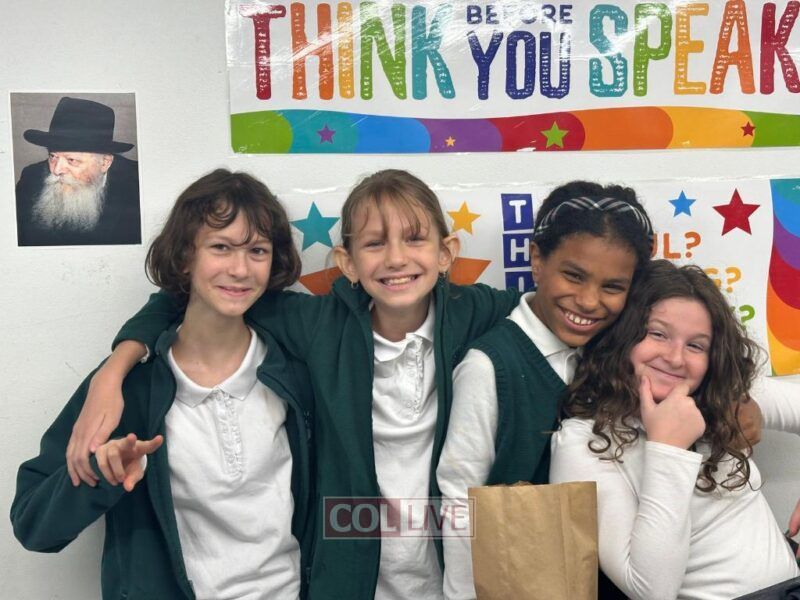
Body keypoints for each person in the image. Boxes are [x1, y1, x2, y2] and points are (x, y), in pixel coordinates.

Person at [63, 169, 520, 600]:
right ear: (347, 262)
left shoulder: (475, 313)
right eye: (375, 243)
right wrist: (116, 367)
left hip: (455, 575)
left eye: (415, 239)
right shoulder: (318, 324)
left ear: (446, 253)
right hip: (349, 577)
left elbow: (553, 307)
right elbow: (190, 296)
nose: (397, 258)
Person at [11, 169, 313, 599]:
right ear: (186, 256)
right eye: (221, 247)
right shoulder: (127, 387)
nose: (240, 269)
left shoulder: (296, 370)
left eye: (257, 250)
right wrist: (101, 473)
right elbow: (34, 527)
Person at [436, 182, 656, 600]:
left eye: (613, 286)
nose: (589, 301)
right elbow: (462, 502)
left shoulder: (623, 349)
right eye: (573, 276)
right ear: (537, 259)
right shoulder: (489, 367)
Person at [550, 260, 800, 600]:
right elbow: (650, 590)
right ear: (622, 337)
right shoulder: (583, 442)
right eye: (657, 334)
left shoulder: (719, 393)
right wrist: (667, 449)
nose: (676, 358)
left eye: (696, 345)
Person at [15, 96, 141, 246]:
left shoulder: (138, 183)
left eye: (71, 160)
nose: (56, 170)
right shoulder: (31, 178)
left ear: (105, 163)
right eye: (53, 156)